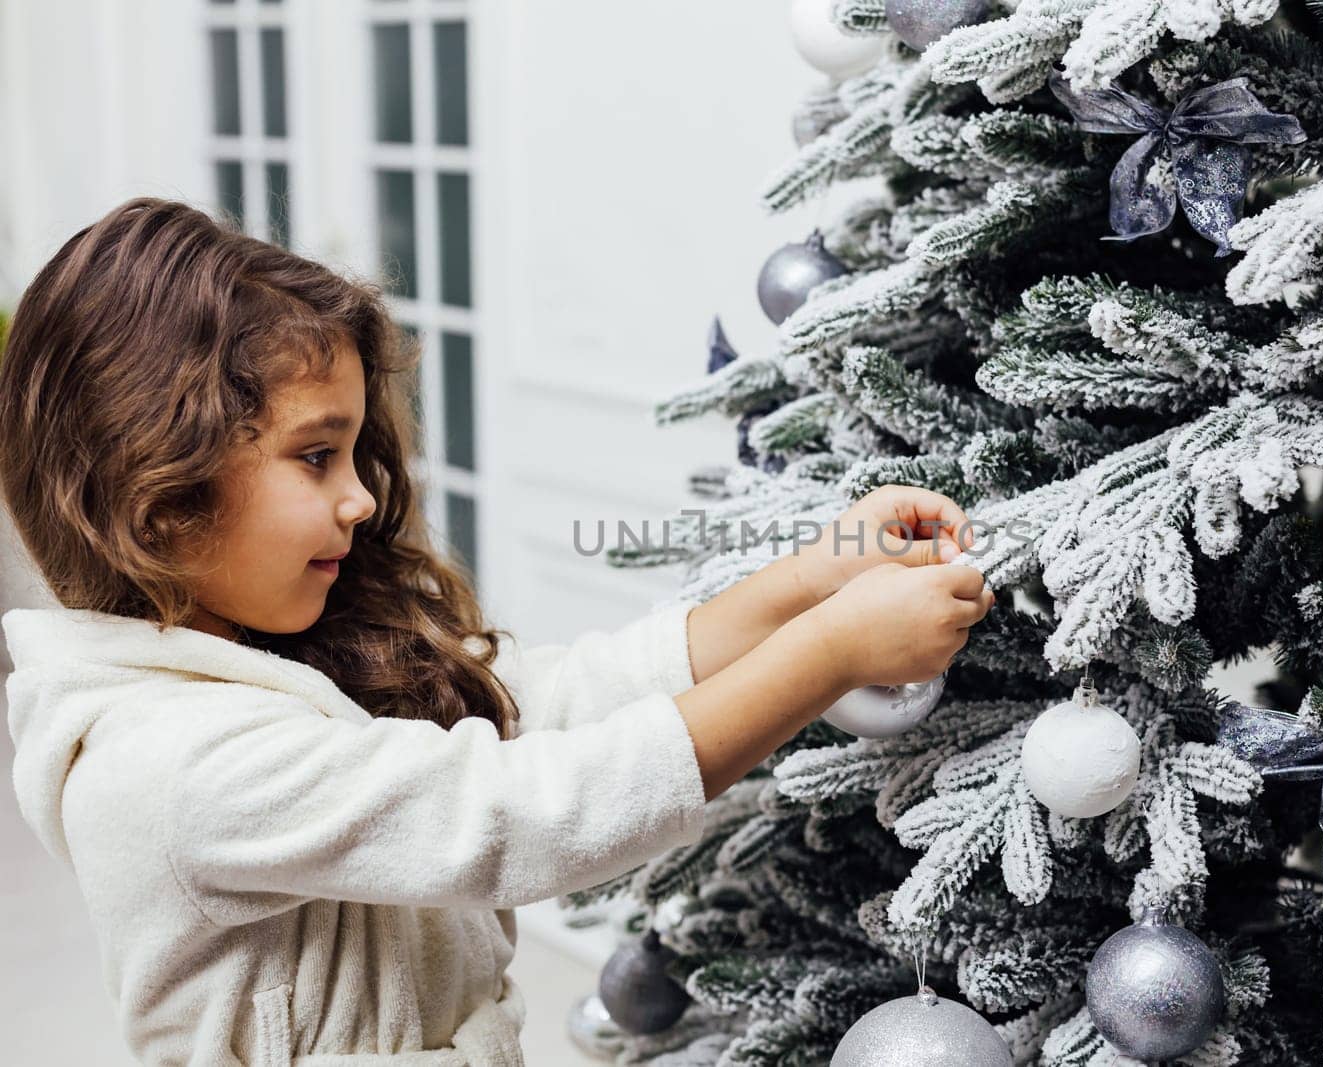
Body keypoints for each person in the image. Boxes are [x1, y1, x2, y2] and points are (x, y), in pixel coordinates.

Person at [0, 197, 995, 1065]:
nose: (358, 499)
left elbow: (535, 699)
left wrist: (804, 580)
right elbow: (514, 814)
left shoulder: (270, 648)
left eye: (355, 454)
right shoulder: (171, 766)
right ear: (160, 492)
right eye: (315, 457)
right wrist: (826, 654)